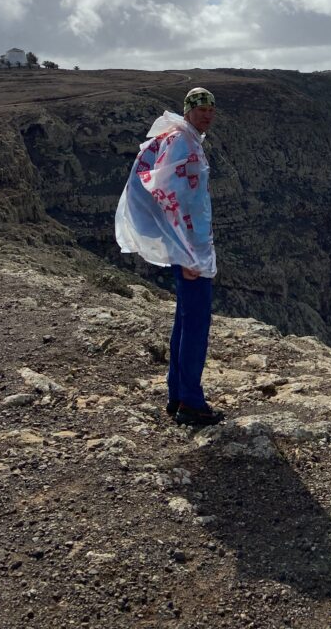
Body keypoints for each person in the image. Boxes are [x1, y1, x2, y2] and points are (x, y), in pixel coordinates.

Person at [115, 87, 224, 427]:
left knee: (185, 320)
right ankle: (191, 403)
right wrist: (184, 252)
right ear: (188, 110)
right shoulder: (181, 142)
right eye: (201, 109)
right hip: (189, 250)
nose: (207, 115)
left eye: (211, 109)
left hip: (190, 246)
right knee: (196, 325)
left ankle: (177, 394)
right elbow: (169, 198)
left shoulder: (181, 138)